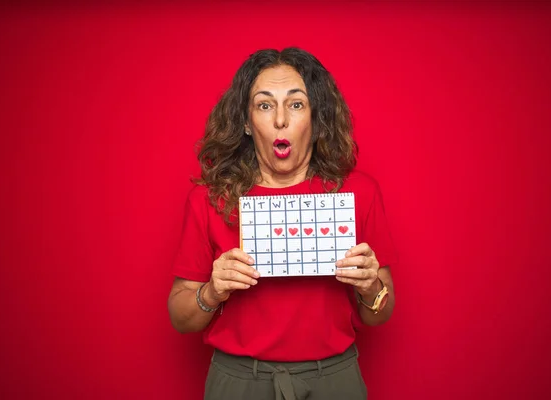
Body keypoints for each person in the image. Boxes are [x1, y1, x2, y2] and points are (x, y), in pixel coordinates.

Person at [168, 47, 397, 400]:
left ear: (316, 118)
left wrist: (369, 287)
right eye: (264, 104)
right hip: (239, 379)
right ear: (246, 122)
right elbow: (180, 319)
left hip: (334, 378)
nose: (279, 120)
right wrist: (212, 291)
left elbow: (380, 315)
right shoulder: (209, 198)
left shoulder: (359, 192)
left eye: (295, 104)